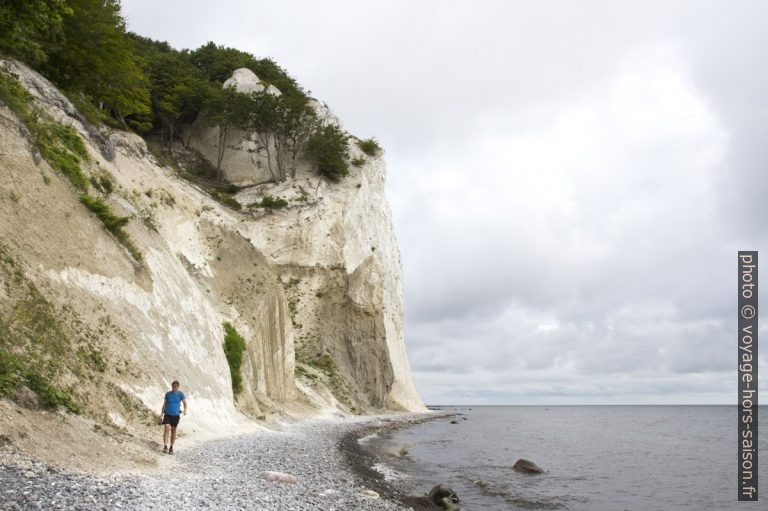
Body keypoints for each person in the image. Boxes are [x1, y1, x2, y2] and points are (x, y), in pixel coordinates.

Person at [160, 380, 187, 454]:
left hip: (176, 415)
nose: (174, 387)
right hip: (167, 414)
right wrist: (161, 414)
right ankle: (165, 446)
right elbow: (164, 404)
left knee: (173, 431)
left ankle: (171, 447)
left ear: (178, 387)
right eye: (173, 386)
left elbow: (184, 402)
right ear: (172, 386)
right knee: (166, 428)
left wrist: (185, 410)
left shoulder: (180, 394)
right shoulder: (168, 394)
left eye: (175, 386)